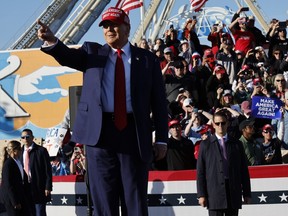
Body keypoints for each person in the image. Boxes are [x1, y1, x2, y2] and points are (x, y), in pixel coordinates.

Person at [37, 7, 168, 216]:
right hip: (99, 136)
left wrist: (161, 139)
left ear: (127, 27)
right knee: (103, 202)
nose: (109, 29)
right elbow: (67, 56)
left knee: (134, 200)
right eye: (105, 26)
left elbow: (159, 103)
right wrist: (52, 41)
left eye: (114, 24)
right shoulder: (92, 53)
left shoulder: (146, 59)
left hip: (133, 134)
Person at [197, 111, 251, 216]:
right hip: (214, 192)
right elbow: (200, 172)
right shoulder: (205, 145)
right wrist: (201, 195)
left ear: (228, 123)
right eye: (217, 123)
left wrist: (247, 193)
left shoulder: (237, 144)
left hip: (233, 191)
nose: (220, 126)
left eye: (223, 123)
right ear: (213, 124)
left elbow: (243, 170)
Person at [20, 129, 52, 216]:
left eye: (27, 136)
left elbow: (48, 169)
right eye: (23, 137)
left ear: (32, 137)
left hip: (39, 187)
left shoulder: (41, 150)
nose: (25, 139)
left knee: (39, 212)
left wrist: (48, 186)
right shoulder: (20, 152)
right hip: (25, 187)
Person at [0, 140, 34, 216]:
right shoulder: (8, 164)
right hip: (11, 198)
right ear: (15, 151)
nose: (21, 151)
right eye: (20, 149)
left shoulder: (18, 162)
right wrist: (14, 201)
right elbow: (8, 184)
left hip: (20, 195)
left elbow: (23, 179)